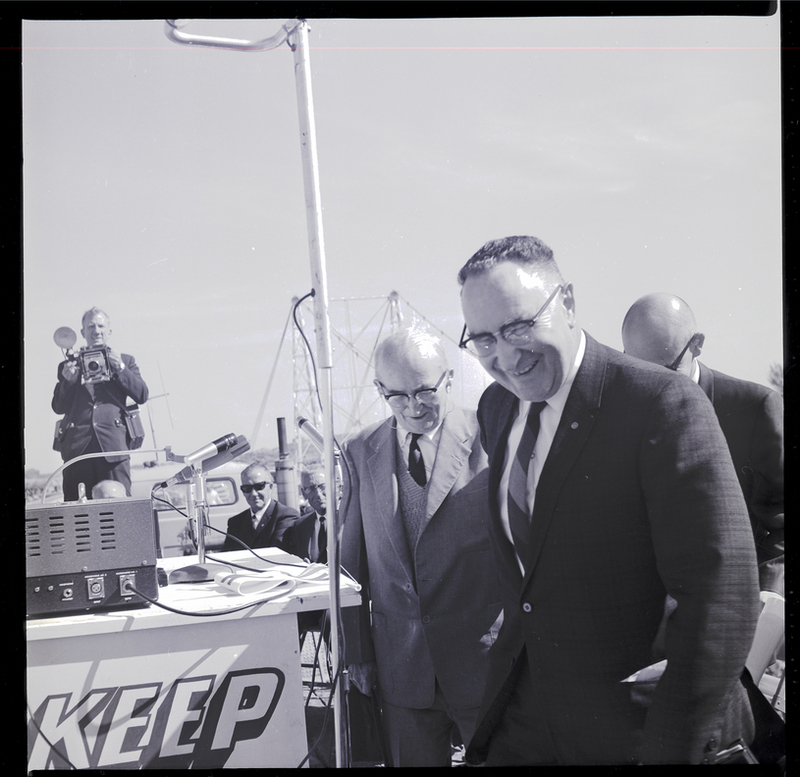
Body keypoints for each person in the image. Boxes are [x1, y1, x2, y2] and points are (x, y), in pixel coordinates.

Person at [457, 235, 761, 765]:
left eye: (519, 326)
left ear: (568, 302)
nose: (505, 356)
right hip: (524, 721)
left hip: (632, 730)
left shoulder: (660, 403)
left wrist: (670, 748)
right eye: (483, 339)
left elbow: (721, 597)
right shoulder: (496, 407)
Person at [339, 326, 503, 768]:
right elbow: (350, 565)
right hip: (402, 670)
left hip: (484, 664)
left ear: (449, 378)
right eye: (397, 395)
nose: (413, 406)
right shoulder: (359, 450)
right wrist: (358, 654)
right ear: (379, 389)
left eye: (425, 391)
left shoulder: (492, 434)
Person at [621, 292, 784, 598]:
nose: (654, 386)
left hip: (734, 602)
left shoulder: (755, 407)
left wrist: (766, 601)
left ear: (697, 344)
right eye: (640, 371)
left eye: (667, 371)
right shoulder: (618, 412)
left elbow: (780, 523)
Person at [52, 307, 149, 500]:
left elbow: (142, 395)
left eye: (101, 326)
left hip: (114, 450)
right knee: (76, 510)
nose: (96, 331)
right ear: (82, 332)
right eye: (91, 326)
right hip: (77, 451)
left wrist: (120, 368)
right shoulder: (68, 366)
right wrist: (68, 382)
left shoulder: (125, 361)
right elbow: (58, 407)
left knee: (119, 507)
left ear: (109, 332)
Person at [222, 463, 299, 552]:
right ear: (242, 491)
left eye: (259, 486)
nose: (253, 494)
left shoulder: (286, 516)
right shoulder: (235, 523)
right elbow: (226, 555)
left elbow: (278, 552)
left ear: (271, 487)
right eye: (247, 488)